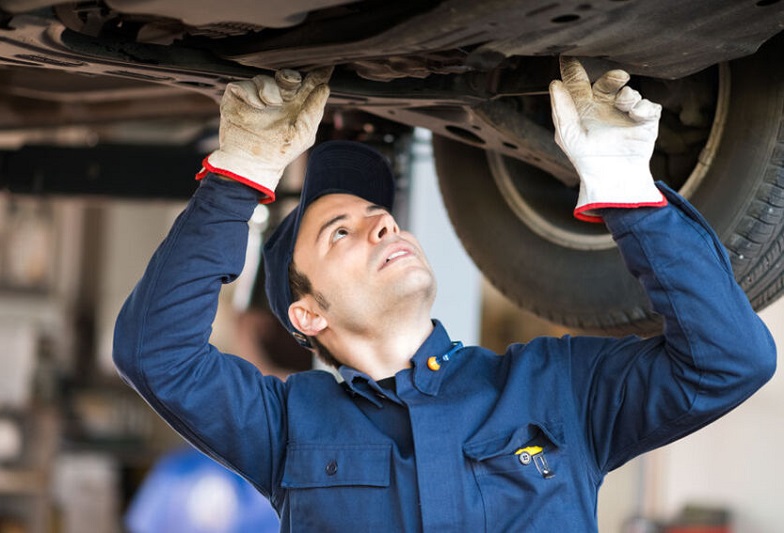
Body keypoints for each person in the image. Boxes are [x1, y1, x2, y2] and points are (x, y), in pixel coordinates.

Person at [113, 60, 776, 531]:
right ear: (308, 313)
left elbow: (730, 361)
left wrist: (629, 191)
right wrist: (238, 176)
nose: (382, 223)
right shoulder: (287, 427)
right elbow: (154, 354)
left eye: (379, 215)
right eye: (340, 231)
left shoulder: (559, 390)